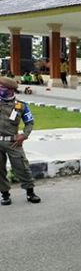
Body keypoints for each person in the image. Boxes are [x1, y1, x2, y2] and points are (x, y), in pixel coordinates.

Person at [0, 77, 41, 205]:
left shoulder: (20, 106)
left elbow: (29, 122)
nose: (0, 90)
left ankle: (30, 193)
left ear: (11, 90)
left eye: (3, 88)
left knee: (22, 167)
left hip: (13, 142)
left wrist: (24, 135)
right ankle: (5, 195)